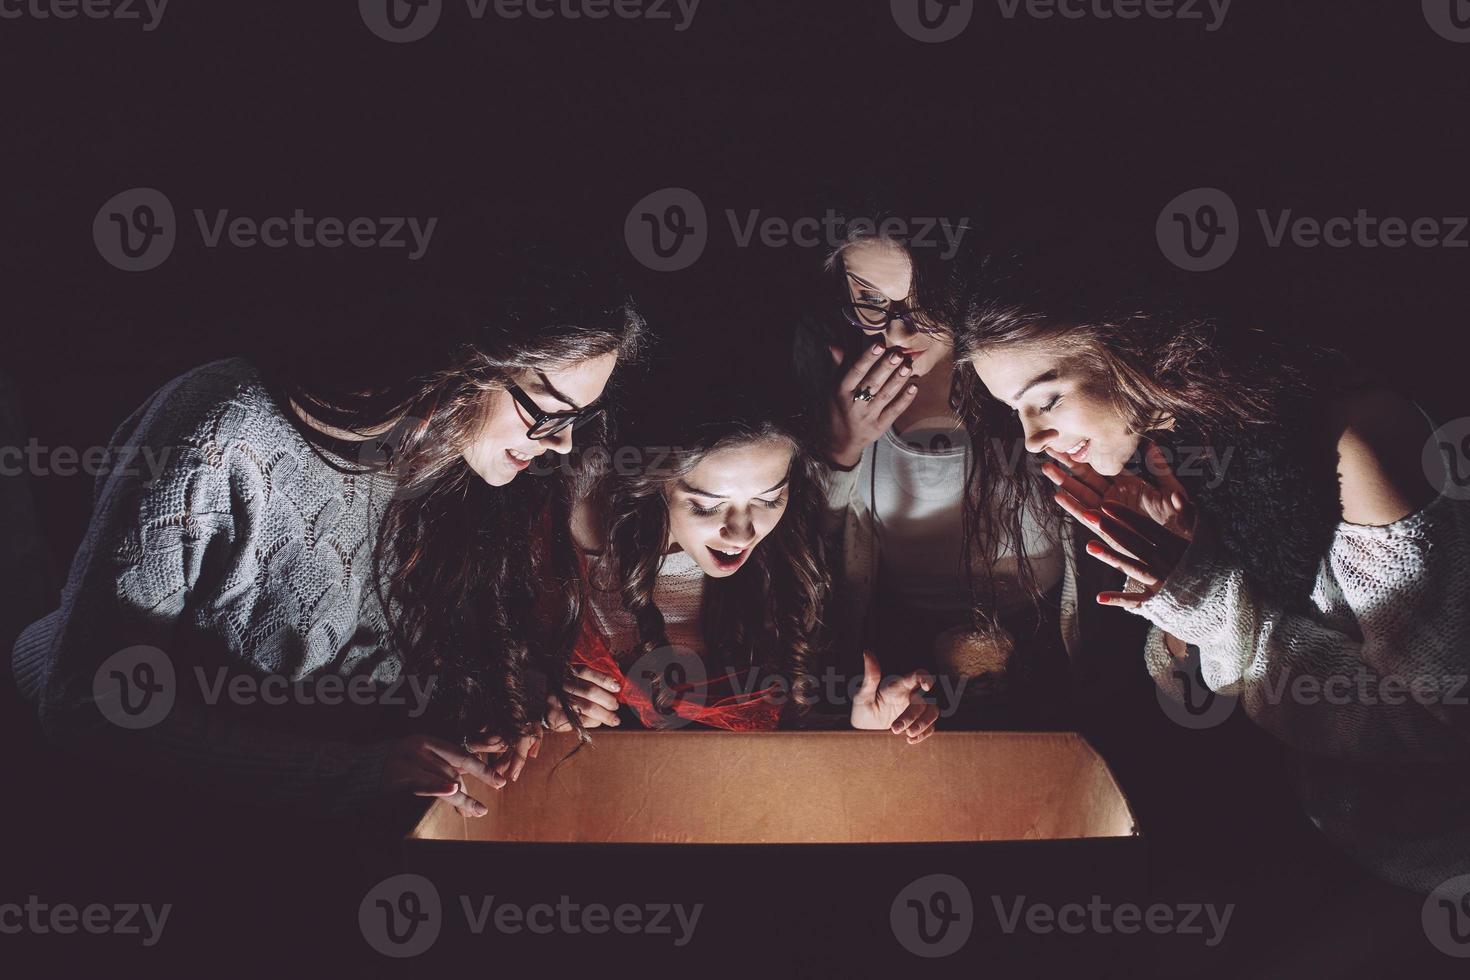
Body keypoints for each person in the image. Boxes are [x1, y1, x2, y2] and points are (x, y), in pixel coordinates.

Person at [9, 254, 647, 822]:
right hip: (146, 815)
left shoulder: (470, 470)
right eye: (547, 411)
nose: (561, 442)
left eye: (578, 419)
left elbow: (364, 674)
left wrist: (515, 695)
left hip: (316, 824)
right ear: (463, 359)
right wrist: (355, 771)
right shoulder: (225, 427)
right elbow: (87, 700)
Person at [958, 258, 1470, 892]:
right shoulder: (1181, 442)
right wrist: (1180, 583)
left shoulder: (1355, 442)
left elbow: (1438, 723)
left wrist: (1198, 597)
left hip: (1423, 869)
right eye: (1015, 412)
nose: (1032, 439)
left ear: (1130, 345)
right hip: (1304, 840)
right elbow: (1197, 687)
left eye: (1046, 398)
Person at [794, 213, 1135, 725]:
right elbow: (803, 549)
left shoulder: (1026, 370)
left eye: (923, 303)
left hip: (1054, 633)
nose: (897, 328)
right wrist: (839, 452)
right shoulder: (835, 371)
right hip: (903, 649)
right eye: (870, 300)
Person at [559, 369, 940, 742]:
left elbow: (789, 729)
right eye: (706, 506)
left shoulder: (787, 555)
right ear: (653, 481)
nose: (743, 533)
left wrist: (864, 730)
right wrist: (550, 709)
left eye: (769, 499)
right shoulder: (587, 536)